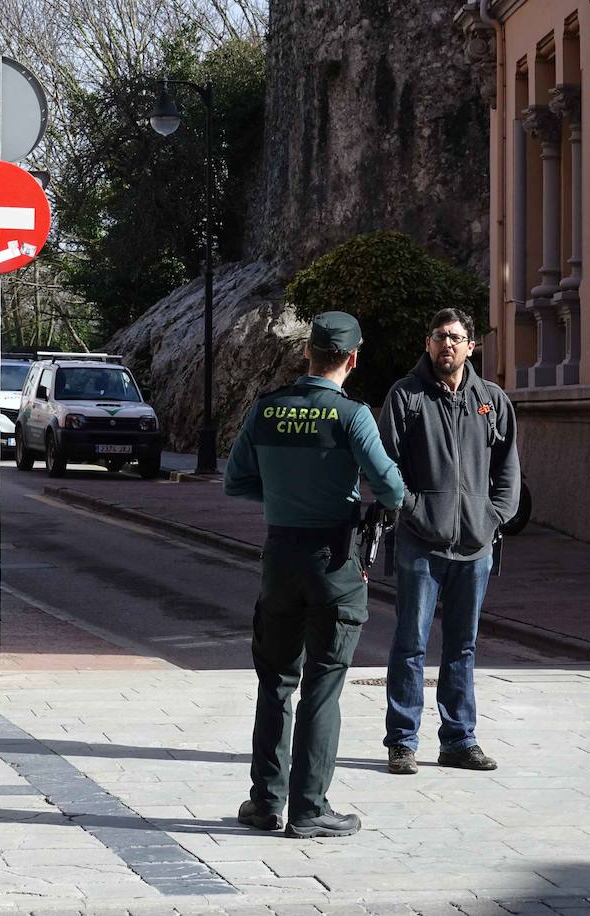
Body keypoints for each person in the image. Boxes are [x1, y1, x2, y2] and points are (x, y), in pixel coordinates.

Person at [224, 310, 405, 839]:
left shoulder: (266, 409)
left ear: (307, 354)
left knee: (275, 681)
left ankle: (264, 802)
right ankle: (309, 809)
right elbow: (390, 490)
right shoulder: (352, 415)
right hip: (335, 556)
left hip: (279, 555)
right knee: (323, 685)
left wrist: (280, 499)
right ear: (352, 358)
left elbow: (236, 483)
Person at [378, 308, 520, 775]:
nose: (448, 345)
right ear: (428, 341)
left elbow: (508, 467)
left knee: (463, 646)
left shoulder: (491, 400)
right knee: (410, 643)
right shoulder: (406, 396)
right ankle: (402, 741)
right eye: (440, 336)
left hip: (475, 546)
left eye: (457, 338)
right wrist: (414, 510)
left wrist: (494, 515)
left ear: (471, 347)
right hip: (420, 544)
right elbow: (385, 468)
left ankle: (459, 739)